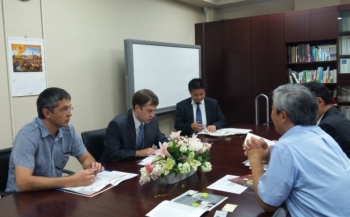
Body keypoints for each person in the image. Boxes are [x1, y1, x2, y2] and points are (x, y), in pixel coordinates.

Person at [243, 84, 350, 216]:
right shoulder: (322, 135)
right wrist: (270, 155)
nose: (271, 115)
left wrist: (255, 159)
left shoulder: (285, 147)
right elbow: (304, 165)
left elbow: (268, 204)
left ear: (283, 116)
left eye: (272, 109)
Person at [6, 87, 104, 193]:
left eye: (70, 108)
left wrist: (92, 167)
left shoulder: (68, 130)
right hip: (22, 200)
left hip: (52, 193)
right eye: (64, 109)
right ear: (47, 113)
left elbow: (85, 158)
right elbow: (23, 183)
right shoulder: (27, 136)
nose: (70, 113)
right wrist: (71, 180)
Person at [100, 89, 168, 162]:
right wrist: (139, 153)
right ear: (137, 108)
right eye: (149, 111)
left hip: (140, 165)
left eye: (154, 111)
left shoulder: (153, 121)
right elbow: (112, 153)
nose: (152, 115)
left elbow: (160, 139)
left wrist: (170, 145)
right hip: (117, 167)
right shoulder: (118, 124)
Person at [304, 82, 350, 158]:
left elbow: (321, 157)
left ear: (319, 102)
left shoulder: (327, 125)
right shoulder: (335, 116)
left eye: (304, 105)